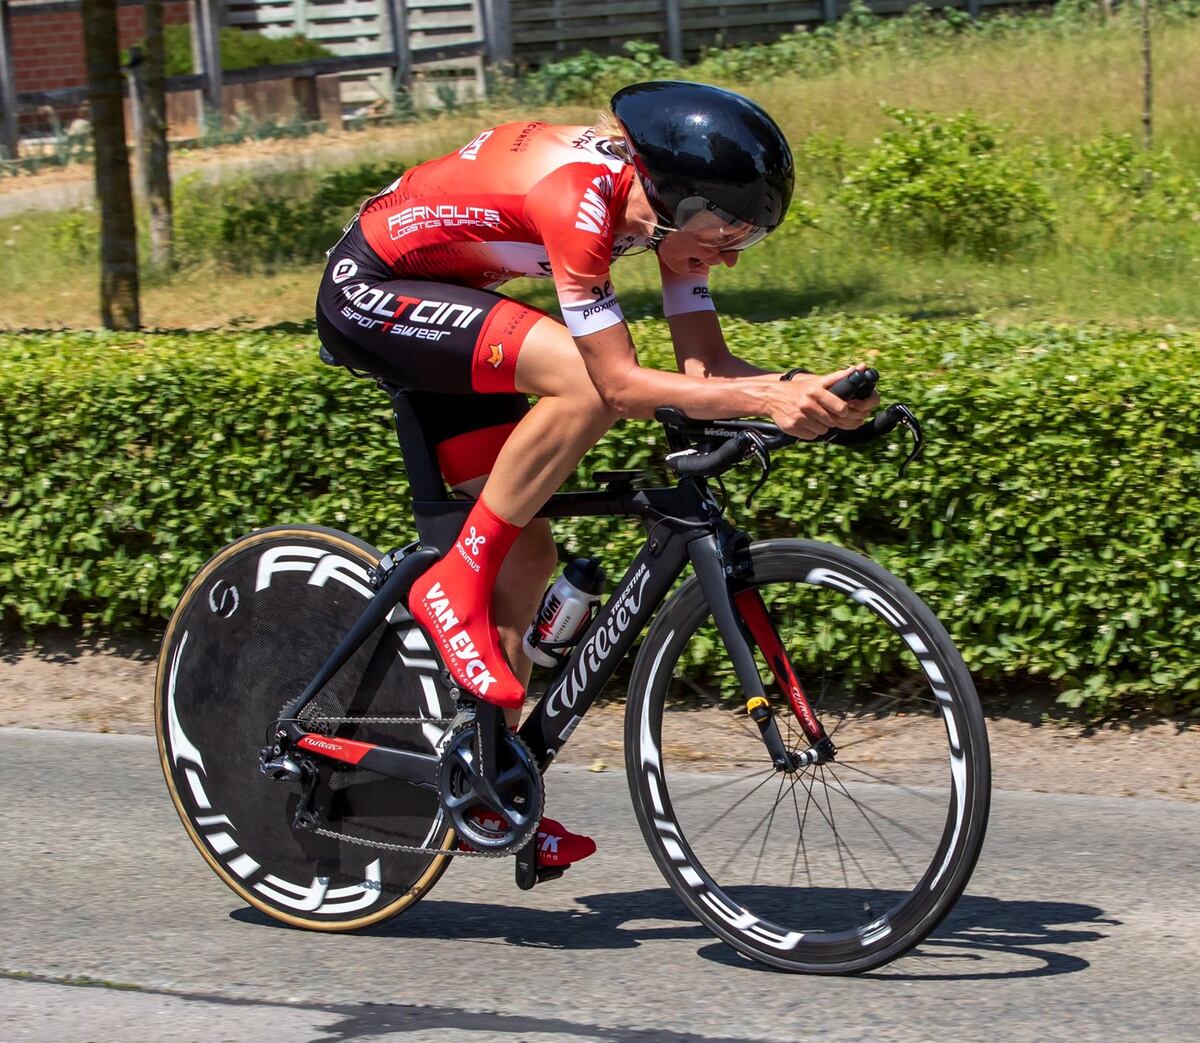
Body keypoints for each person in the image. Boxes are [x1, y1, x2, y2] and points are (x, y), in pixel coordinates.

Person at [316, 80, 879, 869]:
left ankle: (489, 780)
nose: (725, 254)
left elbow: (706, 367)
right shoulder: (579, 196)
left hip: (444, 297)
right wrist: (763, 394)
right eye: (724, 233)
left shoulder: (666, 223)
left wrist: (809, 393)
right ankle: (449, 585)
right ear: (672, 196)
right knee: (580, 383)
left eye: (744, 240)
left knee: (530, 558)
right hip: (369, 291)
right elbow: (616, 386)